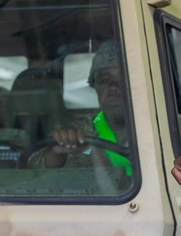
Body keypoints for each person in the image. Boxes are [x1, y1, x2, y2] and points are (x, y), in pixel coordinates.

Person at [34, 40, 131, 173]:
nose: (113, 87)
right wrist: (56, 153)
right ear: (94, 85)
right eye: (105, 80)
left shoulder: (157, 129)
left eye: (123, 79)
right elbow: (39, 175)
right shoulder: (79, 131)